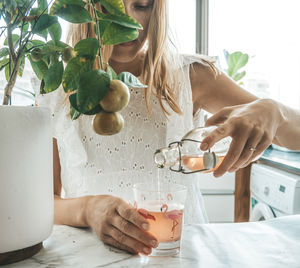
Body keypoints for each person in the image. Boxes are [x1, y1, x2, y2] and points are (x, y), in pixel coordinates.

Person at [37, 0, 300, 256]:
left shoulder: (192, 76)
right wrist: (88, 209)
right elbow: (42, 202)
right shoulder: (56, 89)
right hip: (89, 258)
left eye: (142, 6)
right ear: (86, 8)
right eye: (108, 7)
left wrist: (274, 111)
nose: (131, 22)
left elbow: (293, 135)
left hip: (181, 256)